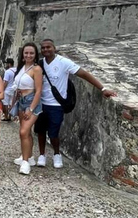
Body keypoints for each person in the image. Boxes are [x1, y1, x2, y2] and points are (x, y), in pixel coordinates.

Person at [36, 39, 116, 169]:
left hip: (56, 105)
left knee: (53, 133)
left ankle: (57, 154)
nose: (45, 50)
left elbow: (83, 74)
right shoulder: (40, 64)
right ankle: (41, 155)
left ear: (54, 48)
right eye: (43, 48)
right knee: (40, 130)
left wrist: (102, 88)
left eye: (48, 47)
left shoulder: (63, 62)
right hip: (42, 103)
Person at [11, 43, 44, 175]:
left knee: (23, 132)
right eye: (26, 53)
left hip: (31, 102)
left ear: (35, 55)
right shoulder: (22, 68)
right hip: (21, 101)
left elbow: (38, 91)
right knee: (26, 132)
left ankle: (25, 163)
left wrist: (31, 108)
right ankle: (28, 157)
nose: (28, 55)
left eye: (31, 53)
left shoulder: (36, 69)